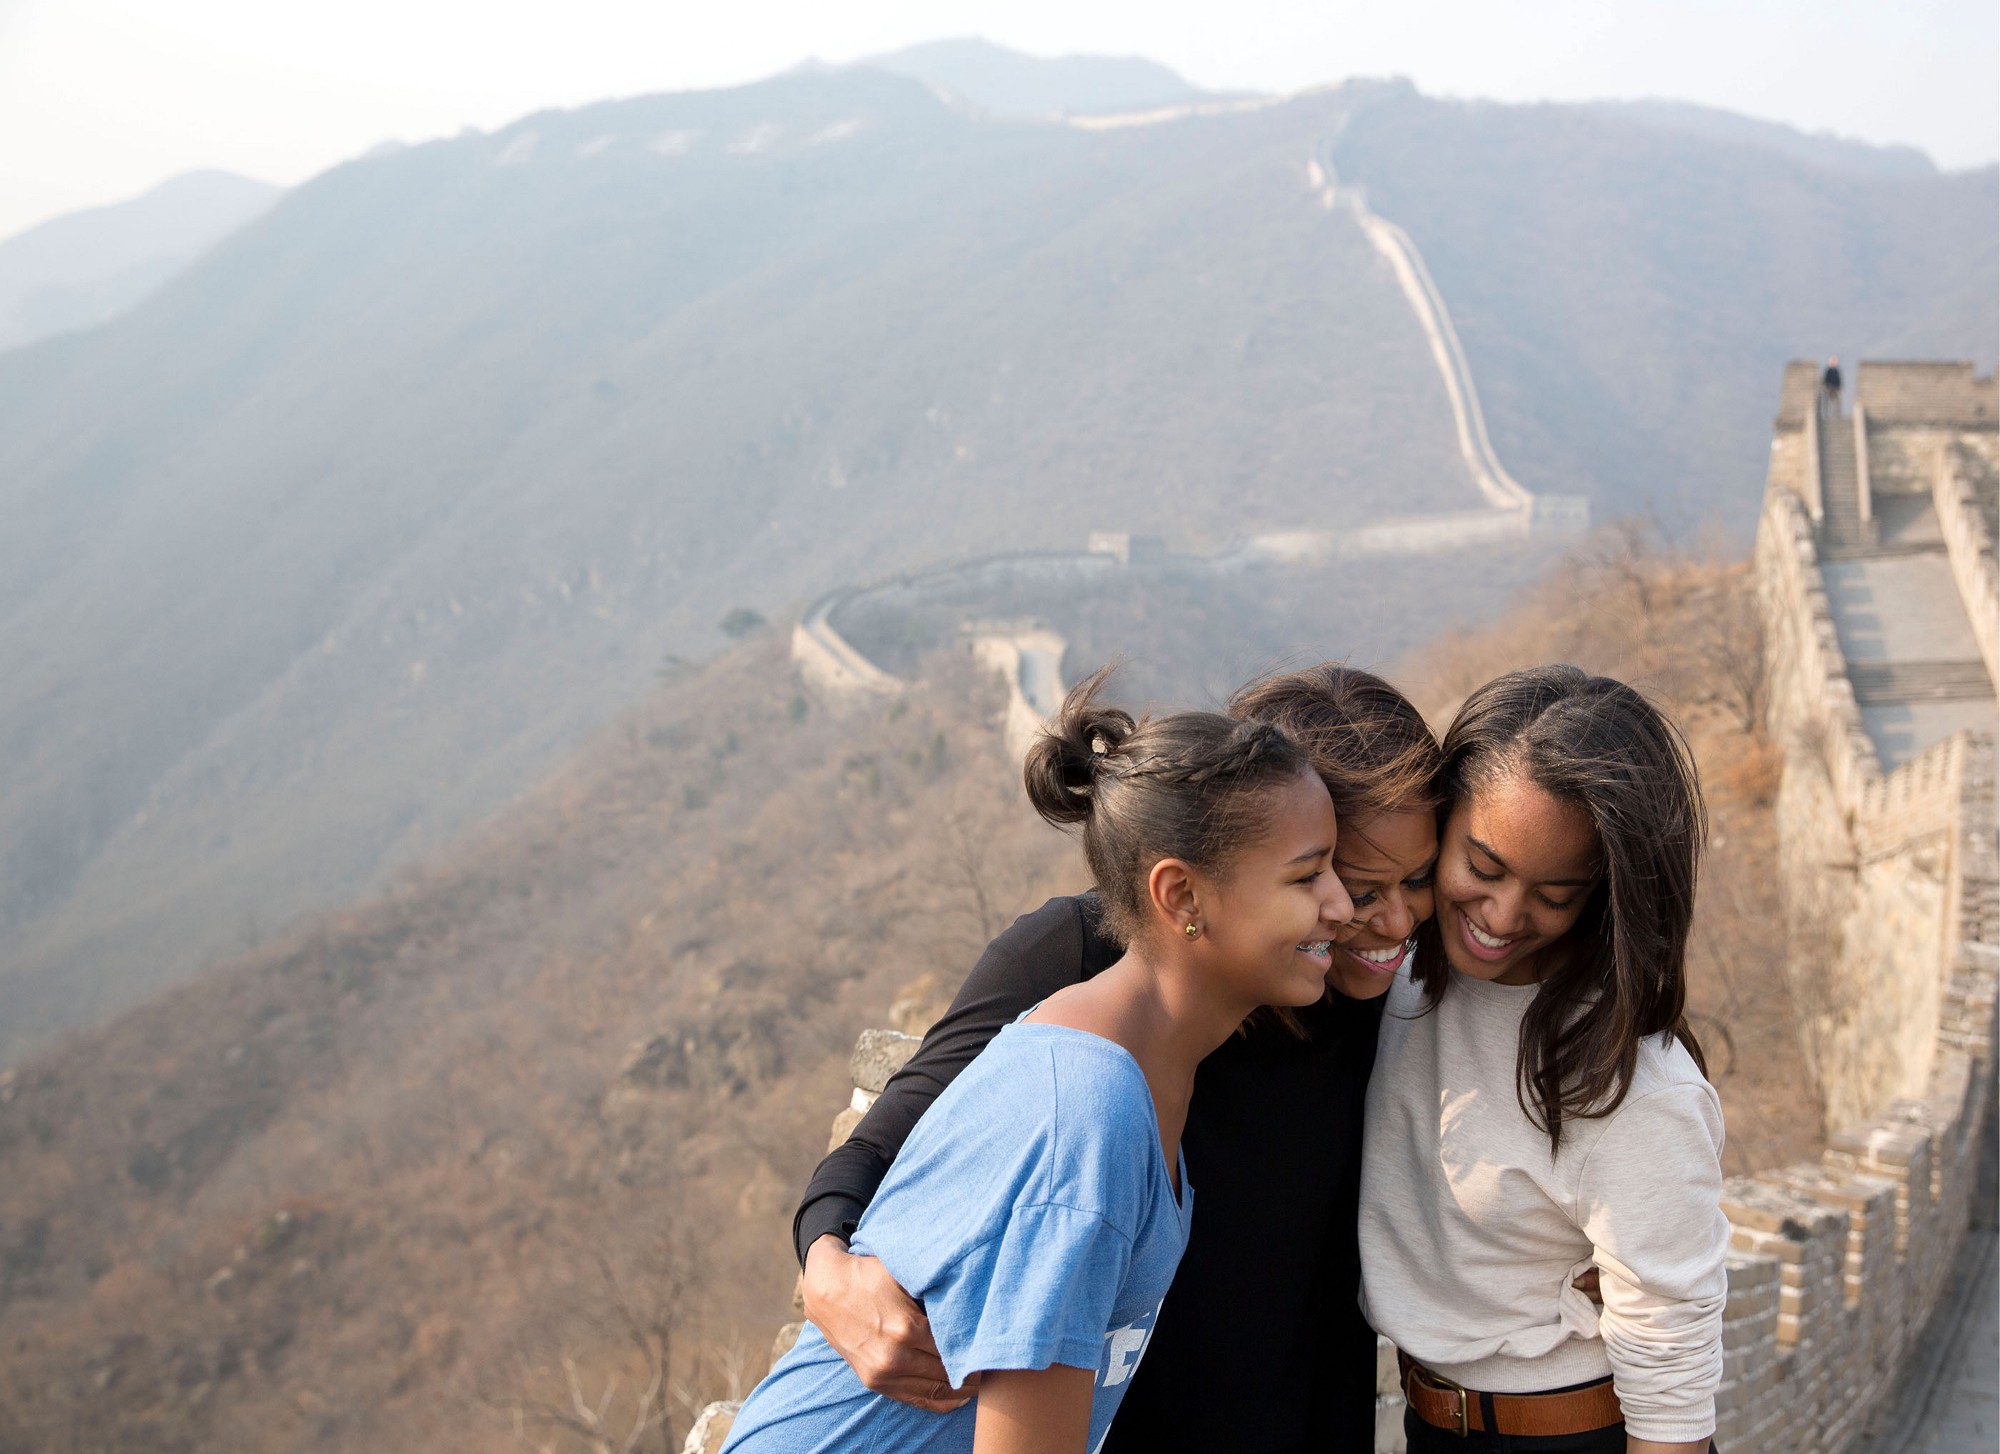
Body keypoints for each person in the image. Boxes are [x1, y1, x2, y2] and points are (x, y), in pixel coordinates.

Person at [791, 664, 1446, 1452]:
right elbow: (884, 1149)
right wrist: (829, 1276)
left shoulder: (1390, 1000)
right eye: (1346, 881)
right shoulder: (1083, 985)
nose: (1391, 921)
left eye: (1420, 880)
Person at [1360, 665, 1728, 1454]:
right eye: (1482, 868)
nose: (1501, 916)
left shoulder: (1629, 1081)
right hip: (1426, 1419)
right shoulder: (1390, 972)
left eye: (1554, 894)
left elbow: (1672, 1377)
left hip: (1571, 1433)